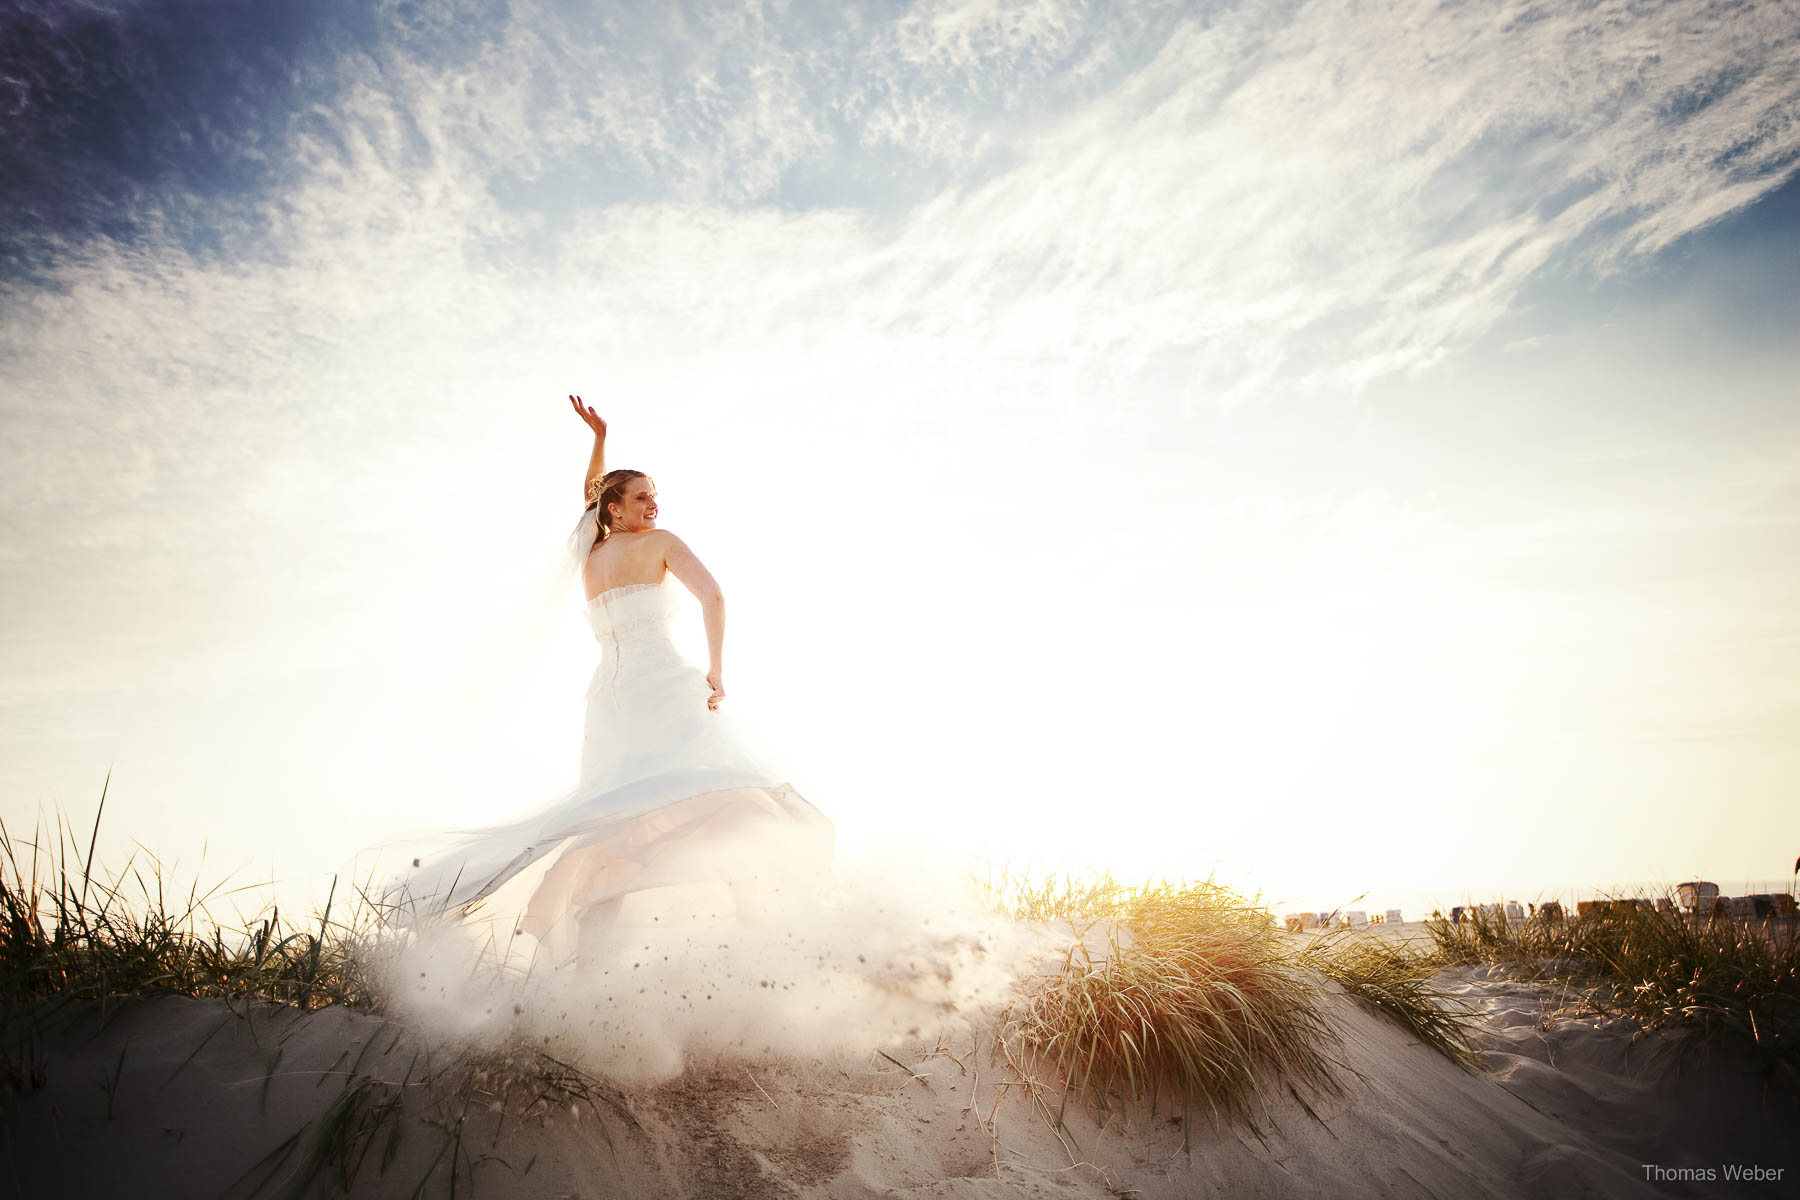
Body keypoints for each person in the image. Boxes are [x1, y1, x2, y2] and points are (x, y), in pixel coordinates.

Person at [384, 397, 836, 965]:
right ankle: (762, 933)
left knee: (614, 821)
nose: (654, 504)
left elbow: (590, 494)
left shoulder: (589, 555)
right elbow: (714, 596)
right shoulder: (662, 543)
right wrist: (717, 670)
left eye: (655, 496)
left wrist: (599, 440)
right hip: (667, 688)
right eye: (642, 496)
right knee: (728, 795)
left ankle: (587, 970)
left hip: (609, 702)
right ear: (616, 509)